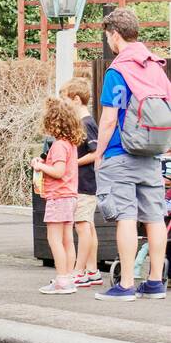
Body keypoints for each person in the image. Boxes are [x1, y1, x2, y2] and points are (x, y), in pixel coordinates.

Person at [94, 7, 169, 300]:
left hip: (121, 152)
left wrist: (100, 152)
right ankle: (154, 283)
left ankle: (125, 284)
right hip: (152, 154)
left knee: (126, 216)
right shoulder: (155, 67)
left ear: (114, 35)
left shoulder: (119, 70)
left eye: (107, 36)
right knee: (154, 217)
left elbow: (110, 117)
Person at [32, 97, 83, 294]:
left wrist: (40, 165)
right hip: (70, 197)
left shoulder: (59, 145)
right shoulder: (71, 144)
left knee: (54, 239)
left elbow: (58, 171)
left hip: (58, 197)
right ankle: (68, 277)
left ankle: (61, 280)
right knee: (67, 239)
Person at [61, 77, 101, 287]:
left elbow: (96, 153)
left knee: (83, 227)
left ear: (76, 100)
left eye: (65, 100)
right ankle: (92, 270)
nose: (63, 105)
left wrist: (71, 163)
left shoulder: (87, 124)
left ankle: (79, 270)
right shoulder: (86, 123)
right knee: (88, 226)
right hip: (85, 183)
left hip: (84, 183)